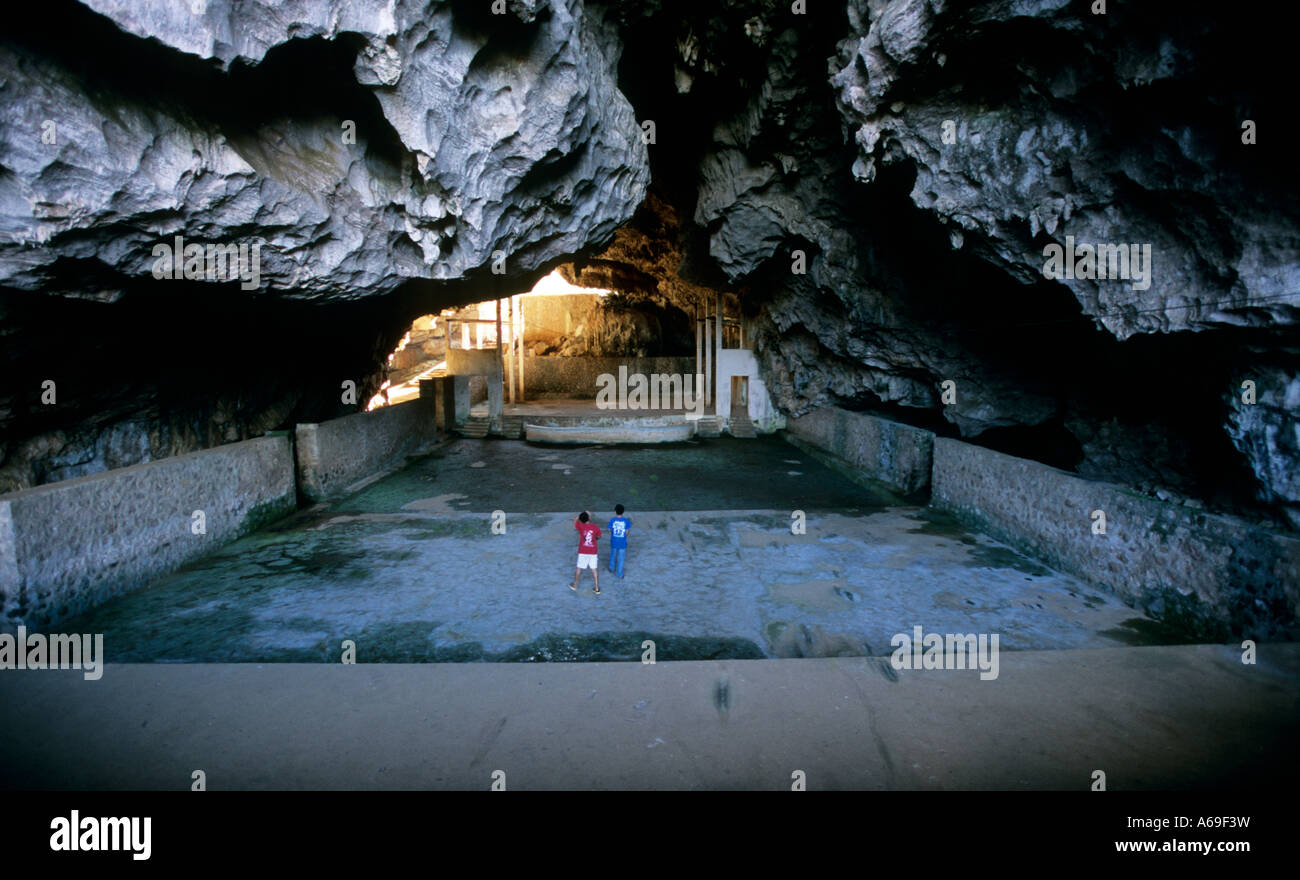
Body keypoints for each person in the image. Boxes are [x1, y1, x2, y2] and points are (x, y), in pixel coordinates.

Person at [572, 511, 602, 594]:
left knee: (579, 569)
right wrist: (595, 539)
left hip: (583, 551)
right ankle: (596, 588)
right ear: (589, 518)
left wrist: (580, 514)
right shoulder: (595, 527)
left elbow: (575, 520)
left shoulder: (580, 526)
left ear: (581, 520)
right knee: (594, 570)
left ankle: (575, 585)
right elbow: (599, 536)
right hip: (593, 551)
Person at [607, 504, 631, 579]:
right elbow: (627, 532)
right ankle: (619, 574)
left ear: (615, 511)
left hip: (614, 541)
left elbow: (610, 530)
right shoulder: (626, 521)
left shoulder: (612, 520)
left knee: (613, 555)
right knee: (621, 558)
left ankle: (611, 568)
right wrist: (623, 537)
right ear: (623, 512)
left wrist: (614, 534)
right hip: (622, 542)